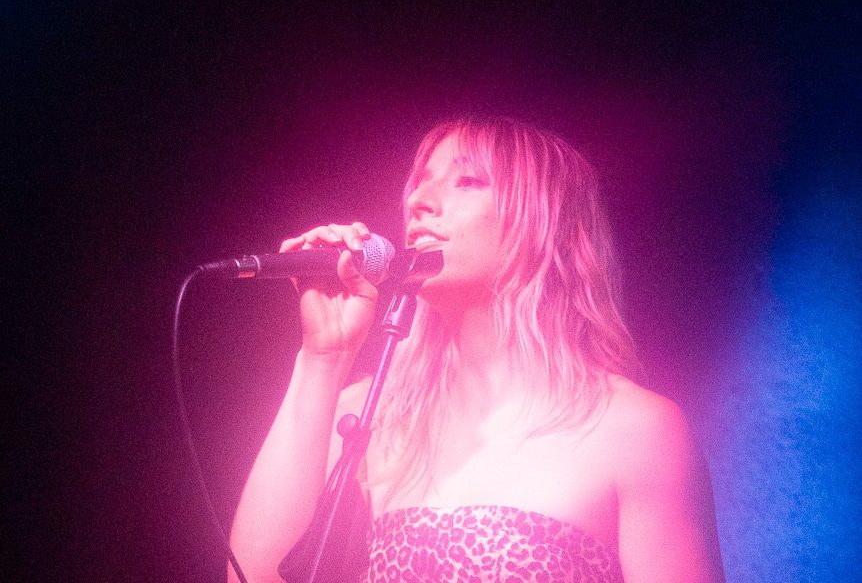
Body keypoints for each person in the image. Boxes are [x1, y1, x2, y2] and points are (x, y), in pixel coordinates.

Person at [229, 117, 725, 582]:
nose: (419, 200)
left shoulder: (634, 430)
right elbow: (251, 577)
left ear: (544, 224)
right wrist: (323, 359)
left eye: (467, 181)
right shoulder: (369, 418)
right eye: (421, 181)